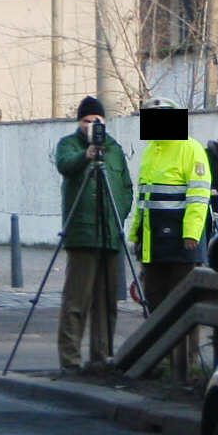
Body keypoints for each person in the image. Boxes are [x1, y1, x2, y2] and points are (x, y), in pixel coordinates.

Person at [55, 96, 133, 374]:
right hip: (82, 234)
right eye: (87, 121)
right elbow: (64, 165)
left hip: (109, 233)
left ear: (104, 122)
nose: (92, 126)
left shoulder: (114, 149)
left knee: (107, 301)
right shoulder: (69, 144)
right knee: (77, 300)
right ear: (79, 123)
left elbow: (125, 188)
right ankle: (70, 359)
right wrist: (85, 154)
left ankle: (102, 356)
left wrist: (118, 216)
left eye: (96, 121)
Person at [129, 97, 211, 312]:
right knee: (155, 305)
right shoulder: (151, 150)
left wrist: (192, 233)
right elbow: (144, 199)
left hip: (181, 245)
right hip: (154, 243)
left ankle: (186, 348)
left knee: (181, 307)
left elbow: (199, 195)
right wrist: (136, 233)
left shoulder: (190, 149)